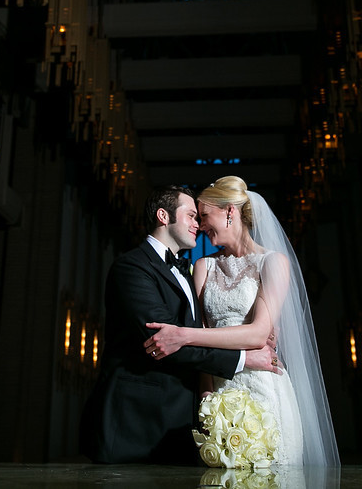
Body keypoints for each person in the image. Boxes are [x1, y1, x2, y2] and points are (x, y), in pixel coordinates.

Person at [143, 176, 340, 467]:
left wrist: (183, 335)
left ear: (230, 212)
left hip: (265, 388)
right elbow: (205, 330)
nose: (199, 226)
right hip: (220, 388)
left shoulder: (273, 263)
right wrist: (206, 395)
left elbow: (258, 333)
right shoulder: (203, 266)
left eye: (205, 215)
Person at [80, 185, 281, 464]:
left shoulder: (188, 272)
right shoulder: (132, 268)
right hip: (135, 422)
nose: (198, 224)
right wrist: (245, 357)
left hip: (183, 417)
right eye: (191, 216)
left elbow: (194, 334)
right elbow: (167, 340)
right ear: (164, 216)